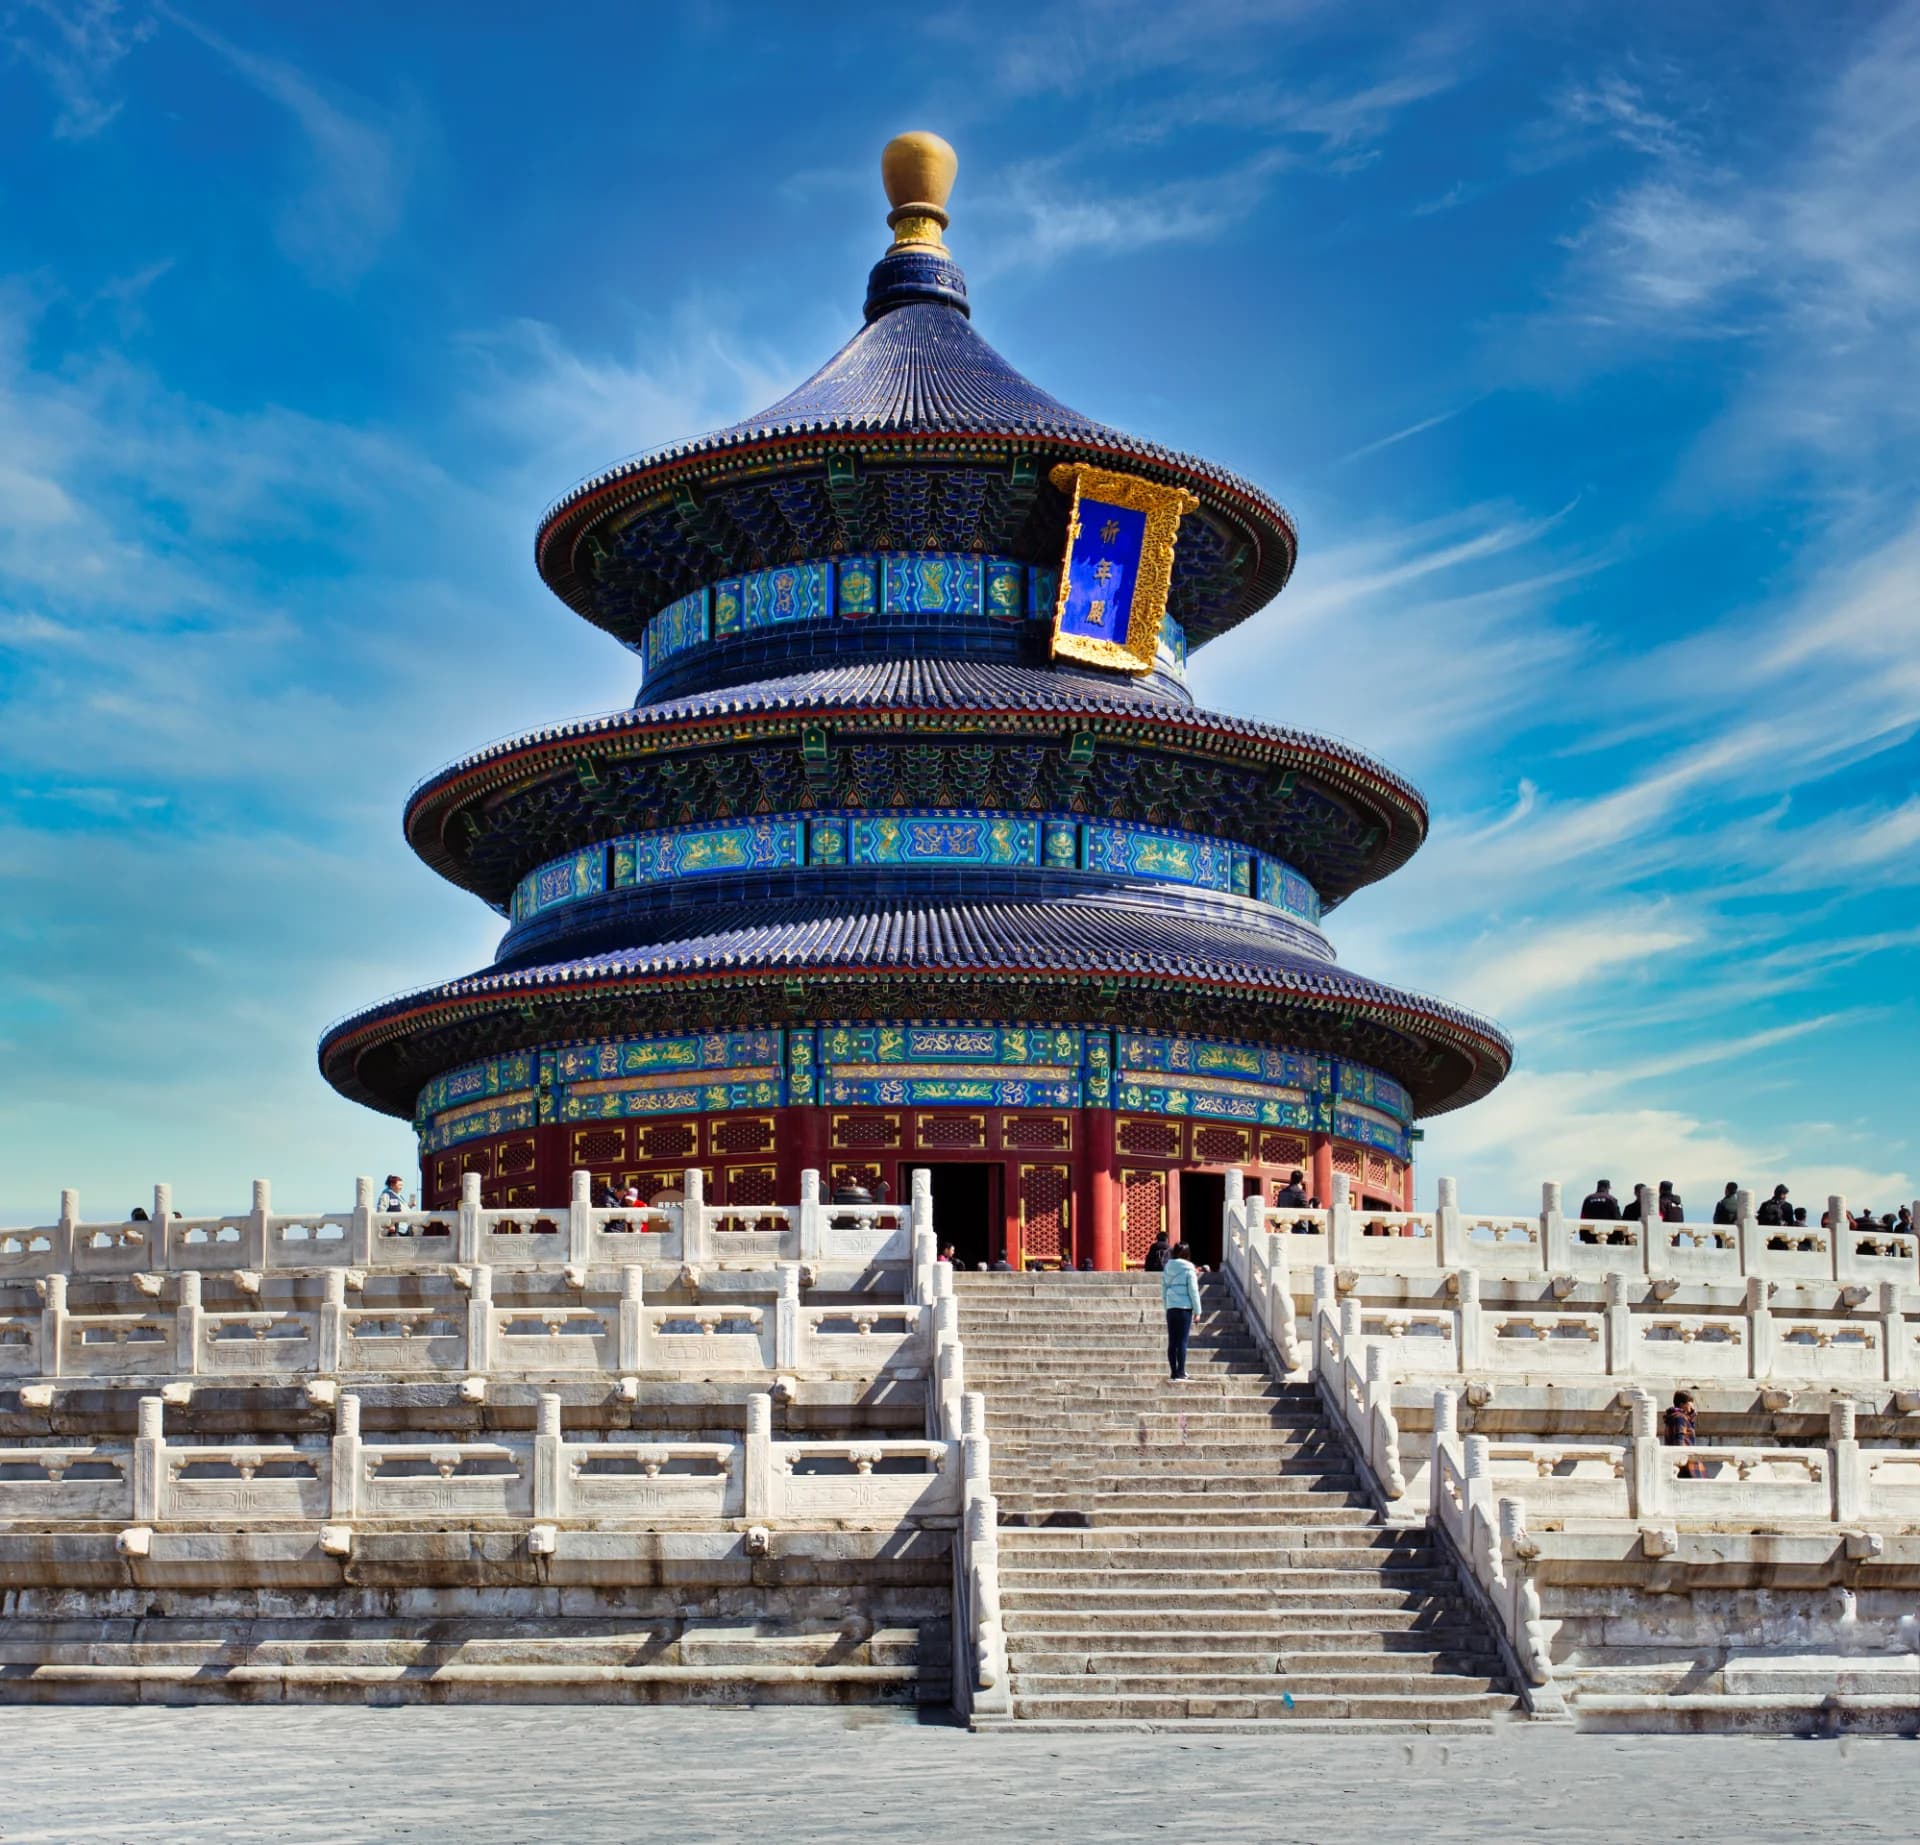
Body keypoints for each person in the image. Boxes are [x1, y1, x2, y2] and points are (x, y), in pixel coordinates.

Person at [1160, 1240, 1202, 1382]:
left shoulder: (1168, 1267)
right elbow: (1193, 1291)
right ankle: (1181, 1372)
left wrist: (1167, 1306)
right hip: (1184, 1308)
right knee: (1182, 1341)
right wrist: (1198, 1311)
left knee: (1172, 1341)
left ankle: (1174, 1372)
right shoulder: (1189, 1268)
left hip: (1171, 1308)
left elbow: (1164, 1289)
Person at [1663, 1390, 1706, 1479]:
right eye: (1689, 1402)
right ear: (1682, 1404)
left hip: (1682, 1462)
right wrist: (1682, 1460)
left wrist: (1690, 1418)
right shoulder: (1680, 1417)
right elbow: (1679, 1440)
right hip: (1686, 1464)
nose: (1692, 1405)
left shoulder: (1676, 1417)